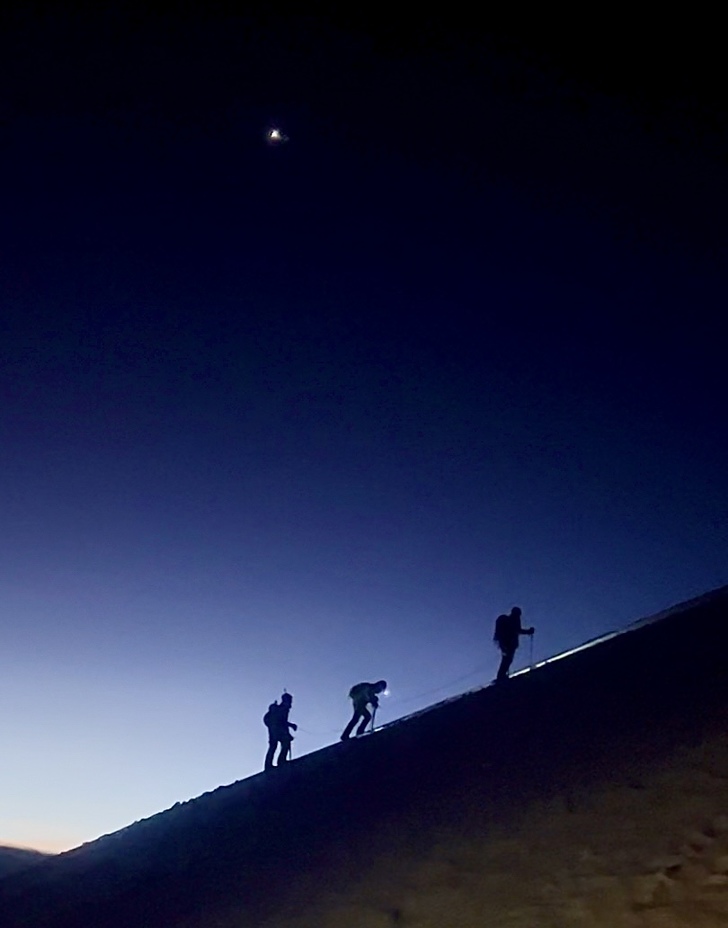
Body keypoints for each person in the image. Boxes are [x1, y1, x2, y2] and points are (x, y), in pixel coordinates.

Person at [493, 606, 534, 681]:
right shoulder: (511, 621)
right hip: (508, 643)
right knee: (507, 659)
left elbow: (517, 630)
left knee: (507, 659)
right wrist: (528, 631)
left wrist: (528, 631)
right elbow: (517, 630)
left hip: (508, 644)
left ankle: (501, 676)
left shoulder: (512, 621)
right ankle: (501, 677)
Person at [263, 692, 297, 770]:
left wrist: (288, 731)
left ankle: (281, 761)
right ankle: (269, 765)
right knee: (274, 745)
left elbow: (283, 723)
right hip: (274, 729)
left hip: (278, 729)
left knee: (285, 743)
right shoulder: (279, 709)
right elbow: (280, 720)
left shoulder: (285, 709)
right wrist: (291, 725)